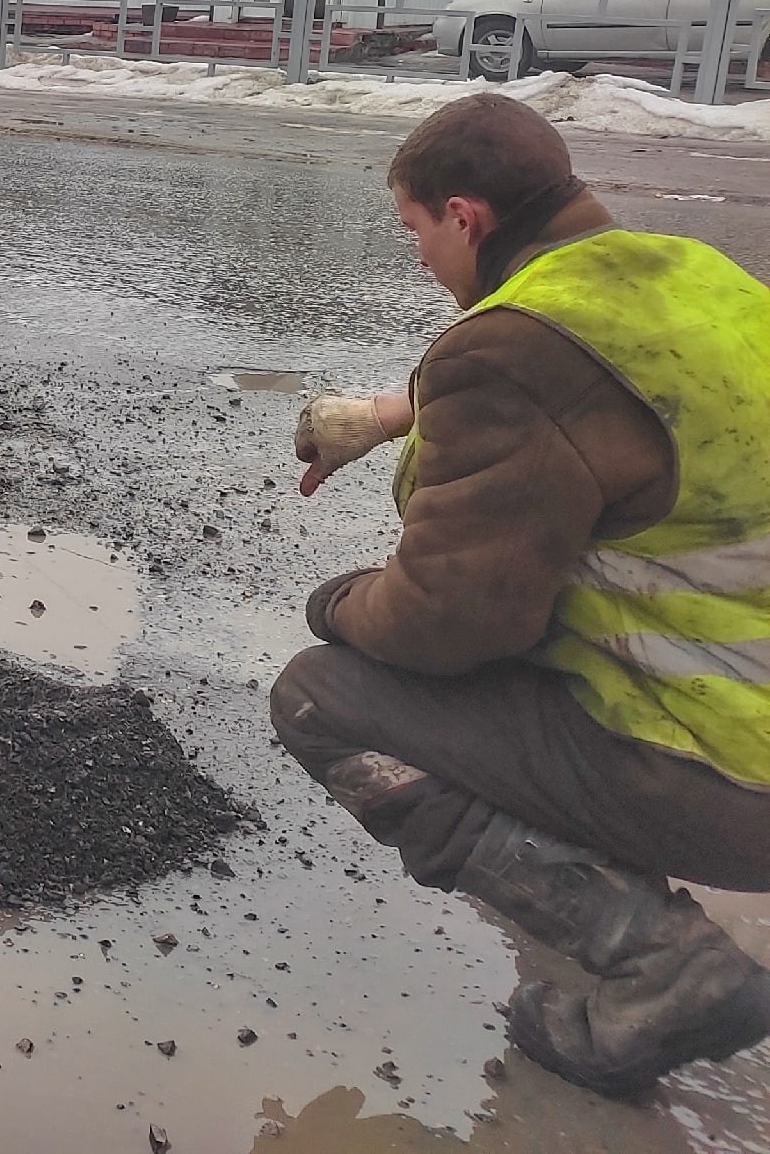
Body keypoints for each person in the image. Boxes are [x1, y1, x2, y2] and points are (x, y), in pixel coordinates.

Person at [277, 92, 770, 1098]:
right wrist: (385, 413)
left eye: (415, 229)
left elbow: (451, 622)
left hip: (734, 769)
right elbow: (603, 391)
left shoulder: (510, 350)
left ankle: (660, 962)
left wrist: (337, 602)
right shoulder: (690, 282)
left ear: (465, 216)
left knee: (322, 695)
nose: (416, 256)